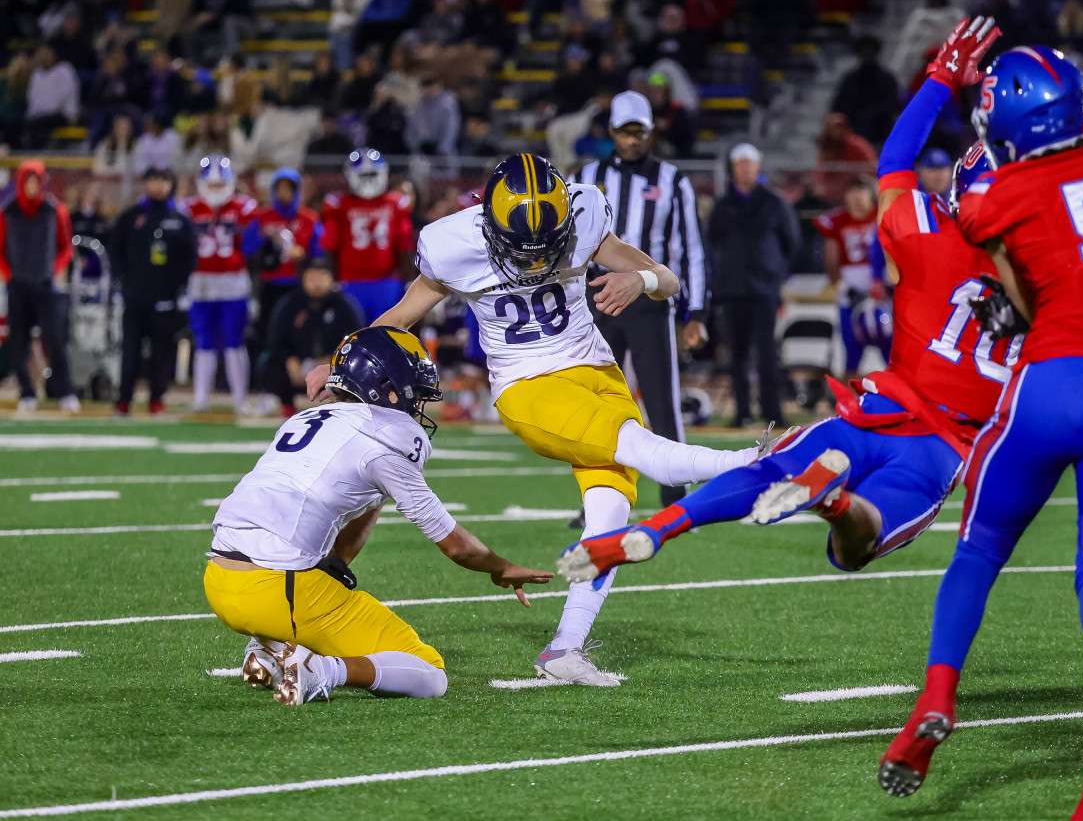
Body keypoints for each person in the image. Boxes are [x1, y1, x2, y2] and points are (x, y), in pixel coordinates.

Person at [556, 18, 1014, 590]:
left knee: (769, 465)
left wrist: (942, 76)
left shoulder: (925, 227)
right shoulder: (1049, 269)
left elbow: (895, 158)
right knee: (856, 545)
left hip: (877, 410)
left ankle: (663, 523)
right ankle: (838, 504)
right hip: (946, 441)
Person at [304, 154, 783, 685]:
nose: (533, 262)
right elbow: (398, 318)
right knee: (647, 452)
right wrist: (338, 364)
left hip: (597, 372)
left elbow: (668, 279)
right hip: (528, 387)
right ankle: (755, 462)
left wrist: (640, 279)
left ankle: (565, 649)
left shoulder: (583, 214)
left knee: (609, 521)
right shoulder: (453, 243)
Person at [881, 45, 1083, 821]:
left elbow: (1018, 271)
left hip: (1051, 383)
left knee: (978, 553)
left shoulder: (997, 197)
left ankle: (935, 699)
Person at [206, 326, 554, 705]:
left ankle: (267, 648)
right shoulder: (388, 438)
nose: (418, 406)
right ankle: (318, 670)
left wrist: (335, 565)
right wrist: (499, 567)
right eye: (415, 395)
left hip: (220, 580)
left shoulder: (307, 419)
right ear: (387, 387)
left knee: (326, 574)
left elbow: (364, 505)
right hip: (280, 591)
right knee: (429, 672)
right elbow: (455, 546)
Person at [572, 90, 709, 510]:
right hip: (600, 296)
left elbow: (691, 248)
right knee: (596, 401)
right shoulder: (589, 174)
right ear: (612, 131)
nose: (632, 140)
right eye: (625, 132)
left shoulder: (672, 178)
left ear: (650, 133)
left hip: (650, 297)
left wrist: (695, 311)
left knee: (661, 398)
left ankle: (676, 496)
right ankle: (597, 499)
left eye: (639, 132)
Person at [706, 143, 799, 427]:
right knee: (737, 355)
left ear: (757, 167)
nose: (745, 169)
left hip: (763, 291)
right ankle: (742, 412)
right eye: (740, 164)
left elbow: (791, 242)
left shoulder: (774, 202)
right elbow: (710, 245)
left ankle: (773, 412)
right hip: (731, 291)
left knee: (767, 353)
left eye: (750, 164)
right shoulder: (722, 206)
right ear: (734, 169)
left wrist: (775, 273)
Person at [108, 168, 197, 415]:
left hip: (166, 300)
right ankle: (124, 398)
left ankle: (156, 399)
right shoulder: (130, 217)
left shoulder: (179, 220)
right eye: (153, 180)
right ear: (146, 183)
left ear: (170, 185)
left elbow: (189, 258)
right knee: (130, 351)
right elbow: (115, 251)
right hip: (135, 298)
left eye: (163, 181)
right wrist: (125, 283)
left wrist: (176, 287)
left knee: (162, 353)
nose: (158, 186)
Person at [180, 154, 257, 413]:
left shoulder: (244, 207)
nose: (215, 190)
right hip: (200, 280)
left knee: (234, 340)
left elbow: (252, 246)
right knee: (204, 341)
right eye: (210, 185)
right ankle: (201, 397)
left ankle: (239, 398)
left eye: (219, 184)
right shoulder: (188, 208)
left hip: (233, 280)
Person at [0, 160, 78, 411]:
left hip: (46, 285)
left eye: (37, 181)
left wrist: (55, 269)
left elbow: (66, 247)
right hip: (18, 285)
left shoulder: (55, 211)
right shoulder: (7, 212)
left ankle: (65, 391)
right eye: (29, 181)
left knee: (54, 338)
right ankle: (27, 393)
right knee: (18, 341)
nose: (33, 186)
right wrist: (7, 273)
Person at [319, 149, 413, 323]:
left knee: (386, 335)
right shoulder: (338, 204)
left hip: (385, 281)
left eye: (372, 174)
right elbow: (329, 246)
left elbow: (404, 247)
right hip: (352, 282)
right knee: (354, 335)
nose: (368, 180)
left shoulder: (396, 203)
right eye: (364, 175)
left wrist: (407, 282)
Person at [260, 258, 361, 417]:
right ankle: (287, 406)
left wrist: (331, 362)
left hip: (331, 368)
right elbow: (276, 340)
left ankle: (342, 409)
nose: (316, 284)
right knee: (268, 364)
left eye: (321, 277)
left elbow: (356, 343)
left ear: (331, 279)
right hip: (297, 367)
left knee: (358, 368)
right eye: (312, 278)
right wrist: (290, 360)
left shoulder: (345, 307)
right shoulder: (290, 304)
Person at [245, 167, 324, 364]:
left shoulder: (309, 219)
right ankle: (266, 375)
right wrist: (265, 240)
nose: (284, 194)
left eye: (289, 189)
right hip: (269, 283)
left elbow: (320, 253)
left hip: (298, 284)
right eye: (280, 189)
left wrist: (303, 256)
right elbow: (247, 249)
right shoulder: (262, 217)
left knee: (299, 330)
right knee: (266, 329)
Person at [817, 177, 889, 376]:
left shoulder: (883, 215)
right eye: (853, 193)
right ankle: (850, 400)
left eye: (861, 192)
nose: (857, 198)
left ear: (871, 194)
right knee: (851, 347)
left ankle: (897, 400)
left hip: (884, 293)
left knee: (891, 348)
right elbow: (831, 255)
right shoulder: (837, 220)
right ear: (846, 196)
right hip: (852, 292)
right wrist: (835, 280)